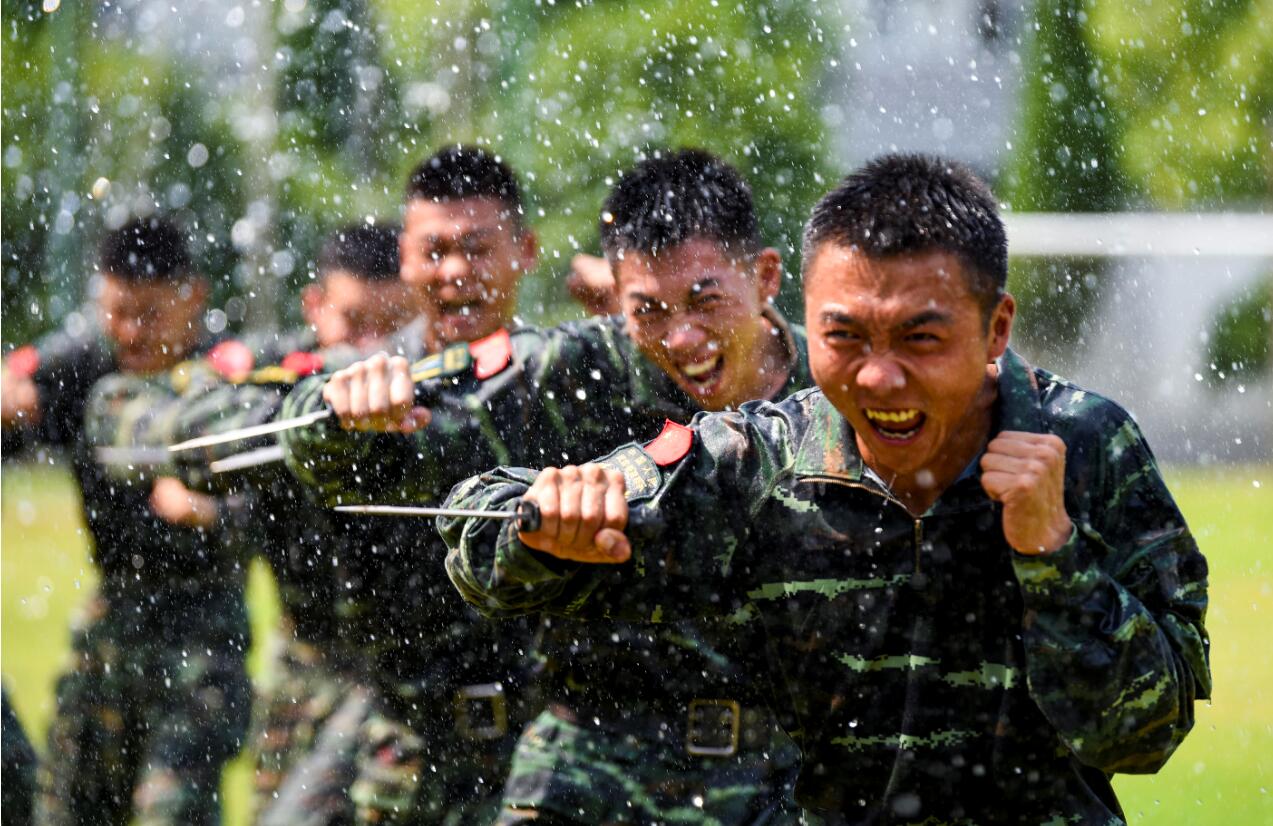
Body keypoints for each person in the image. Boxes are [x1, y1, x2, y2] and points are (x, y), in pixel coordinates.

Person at [441, 154, 1212, 825]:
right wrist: (538, 526)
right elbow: (480, 522)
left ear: (996, 328)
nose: (877, 376)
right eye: (844, 337)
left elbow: (1145, 737)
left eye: (920, 336)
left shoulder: (1084, 444)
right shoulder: (762, 457)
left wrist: (1053, 557)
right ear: (803, 318)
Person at [283, 149, 807, 825]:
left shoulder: (839, 386)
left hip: (783, 780)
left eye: (705, 301)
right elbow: (429, 491)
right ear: (617, 299)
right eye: (647, 310)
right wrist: (343, 406)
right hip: (589, 775)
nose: (681, 338)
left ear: (764, 276)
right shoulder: (576, 371)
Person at [36, 216, 253, 826]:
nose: (132, 331)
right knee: (67, 808)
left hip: (204, 628)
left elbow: (273, 505)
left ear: (194, 297)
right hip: (111, 621)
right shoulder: (83, 369)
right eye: (117, 311)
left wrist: (213, 510)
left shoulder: (227, 380)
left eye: (150, 313)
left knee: (172, 809)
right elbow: (19, 390)